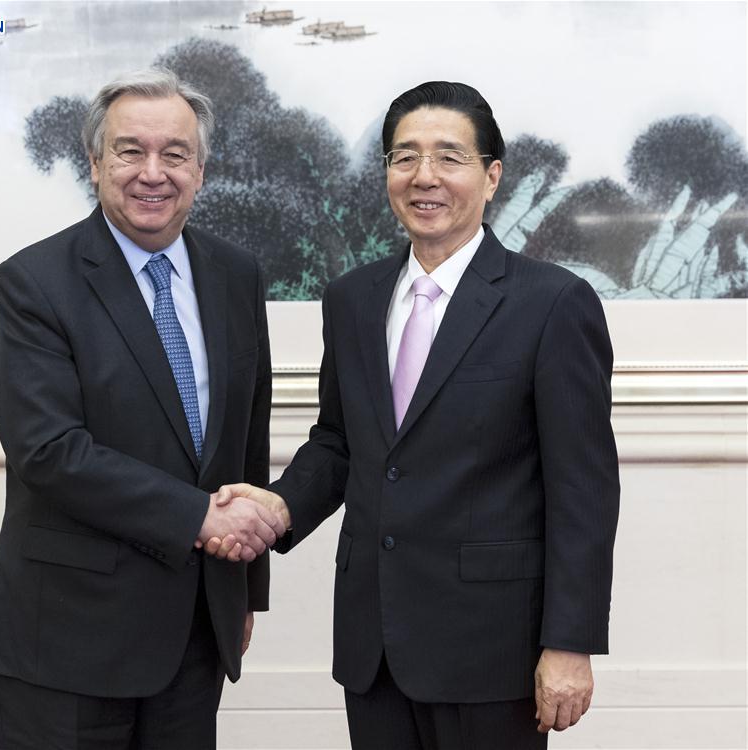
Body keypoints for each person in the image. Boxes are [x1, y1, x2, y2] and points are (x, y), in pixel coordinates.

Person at [209, 81, 620, 749]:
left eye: (448, 157)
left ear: (490, 178)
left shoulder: (552, 304)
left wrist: (569, 645)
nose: (423, 176)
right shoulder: (351, 298)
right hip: (373, 644)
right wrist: (278, 510)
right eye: (404, 157)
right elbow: (339, 442)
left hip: (492, 650)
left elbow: (583, 490)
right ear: (386, 174)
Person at [0, 68, 284, 749]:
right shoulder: (35, 281)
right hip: (67, 642)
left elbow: (244, 446)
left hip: (194, 636)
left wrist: (242, 592)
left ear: (200, 170)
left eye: (174, 154)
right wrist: (202, 517)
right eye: (128, 151)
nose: (153, 172)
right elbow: (50, 452)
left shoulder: (237, 276)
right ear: (94, 164)